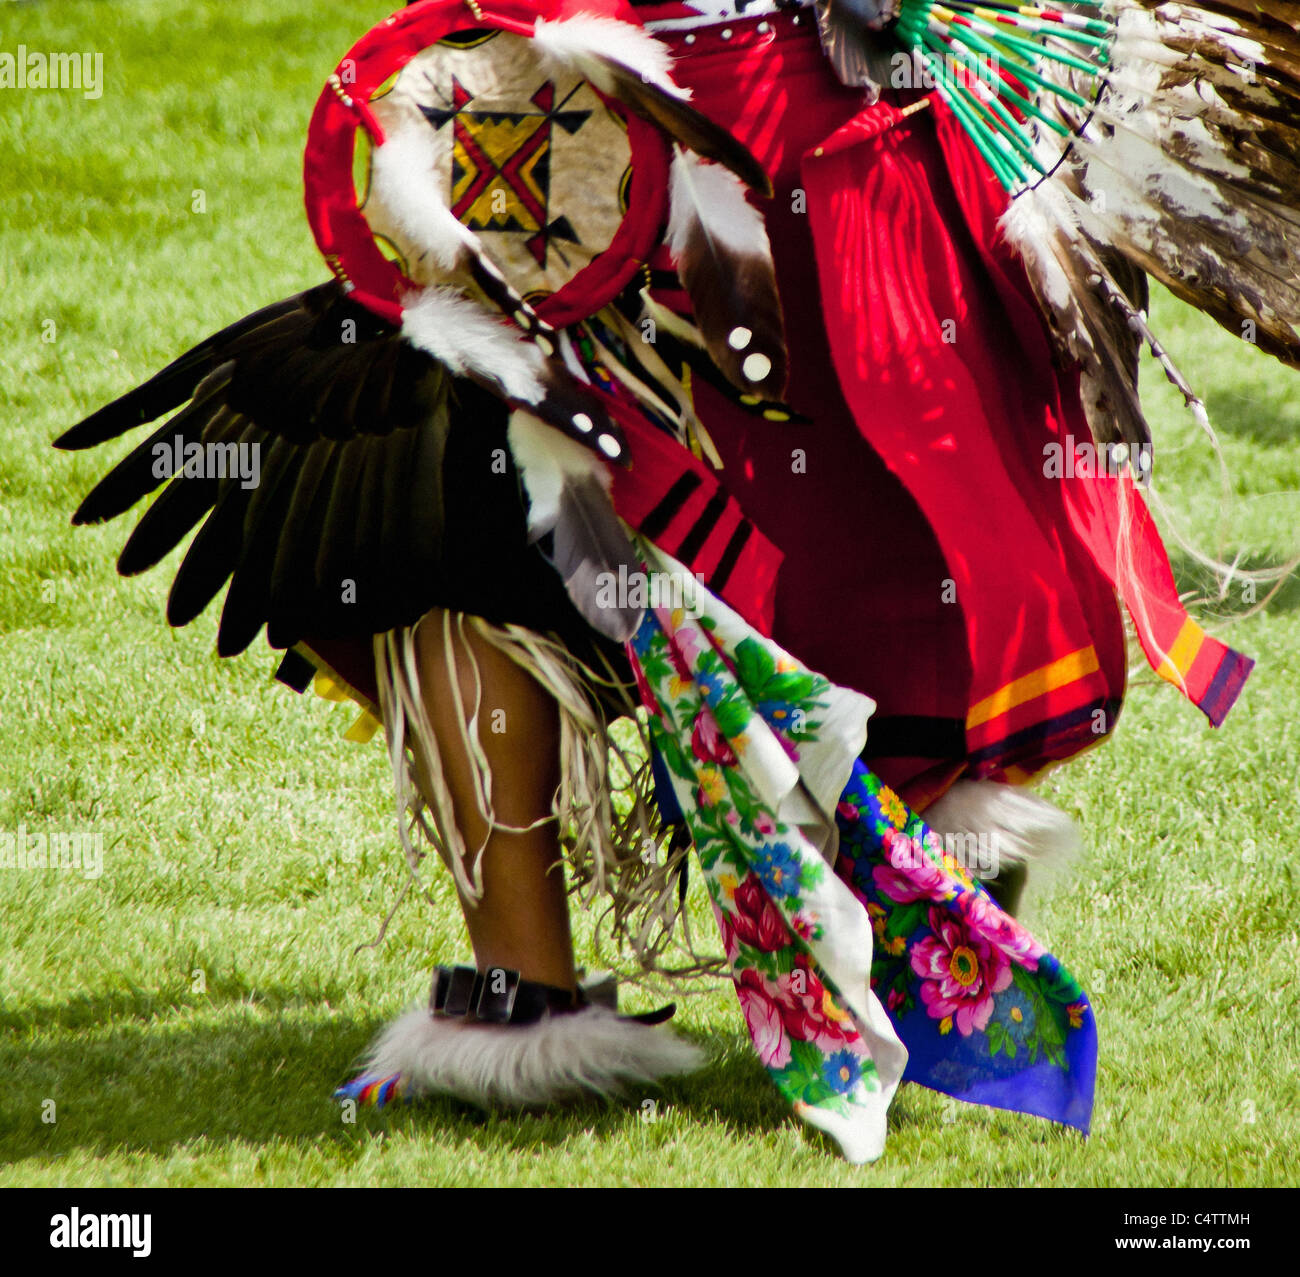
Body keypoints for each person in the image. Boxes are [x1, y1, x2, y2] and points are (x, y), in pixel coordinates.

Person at [58, 0, 1263, 1162]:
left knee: (904, 530)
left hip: (825, 177)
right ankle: (615, 966)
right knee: (456, 480)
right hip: (617, 170)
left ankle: (798, 912)